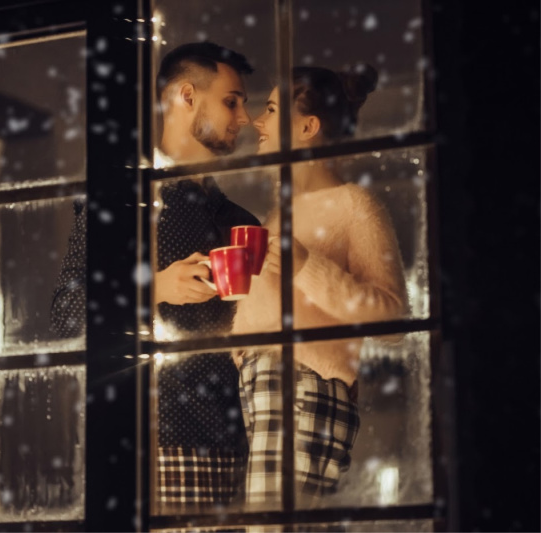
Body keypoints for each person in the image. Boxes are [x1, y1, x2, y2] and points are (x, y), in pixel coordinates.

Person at [50, 41, 259, 510]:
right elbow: (65, 315)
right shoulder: (123, 203)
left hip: (243, 445)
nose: (243, 117)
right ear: (187, 97)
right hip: (154, 445)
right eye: (232, 101)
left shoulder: (241, 221)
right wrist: (155, 286)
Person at [231, 65, 409, 508]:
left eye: (271, 109)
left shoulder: (354, 205)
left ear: (308, 126)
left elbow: (392, 318)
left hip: (305, 387)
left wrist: (306, 265)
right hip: (265, 388)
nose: (258, 120)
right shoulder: (279, 215)